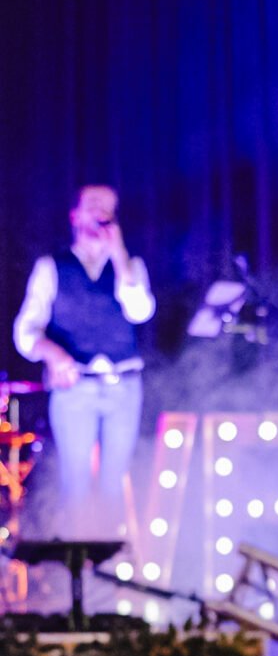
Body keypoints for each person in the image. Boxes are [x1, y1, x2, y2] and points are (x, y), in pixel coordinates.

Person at [13, 184, 154, 539]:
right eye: (94, 205)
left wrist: (118, 253)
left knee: (114, 480)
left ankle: (109, 556)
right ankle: (77, 559)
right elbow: (26, 331)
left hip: (124, 386)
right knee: (75, 481)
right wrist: (53, 353)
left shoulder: (130, 265)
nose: (101, 212)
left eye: (108, 207)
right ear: (75, 215)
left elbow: (140, 311)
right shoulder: (52, 267)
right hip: (75, 388)